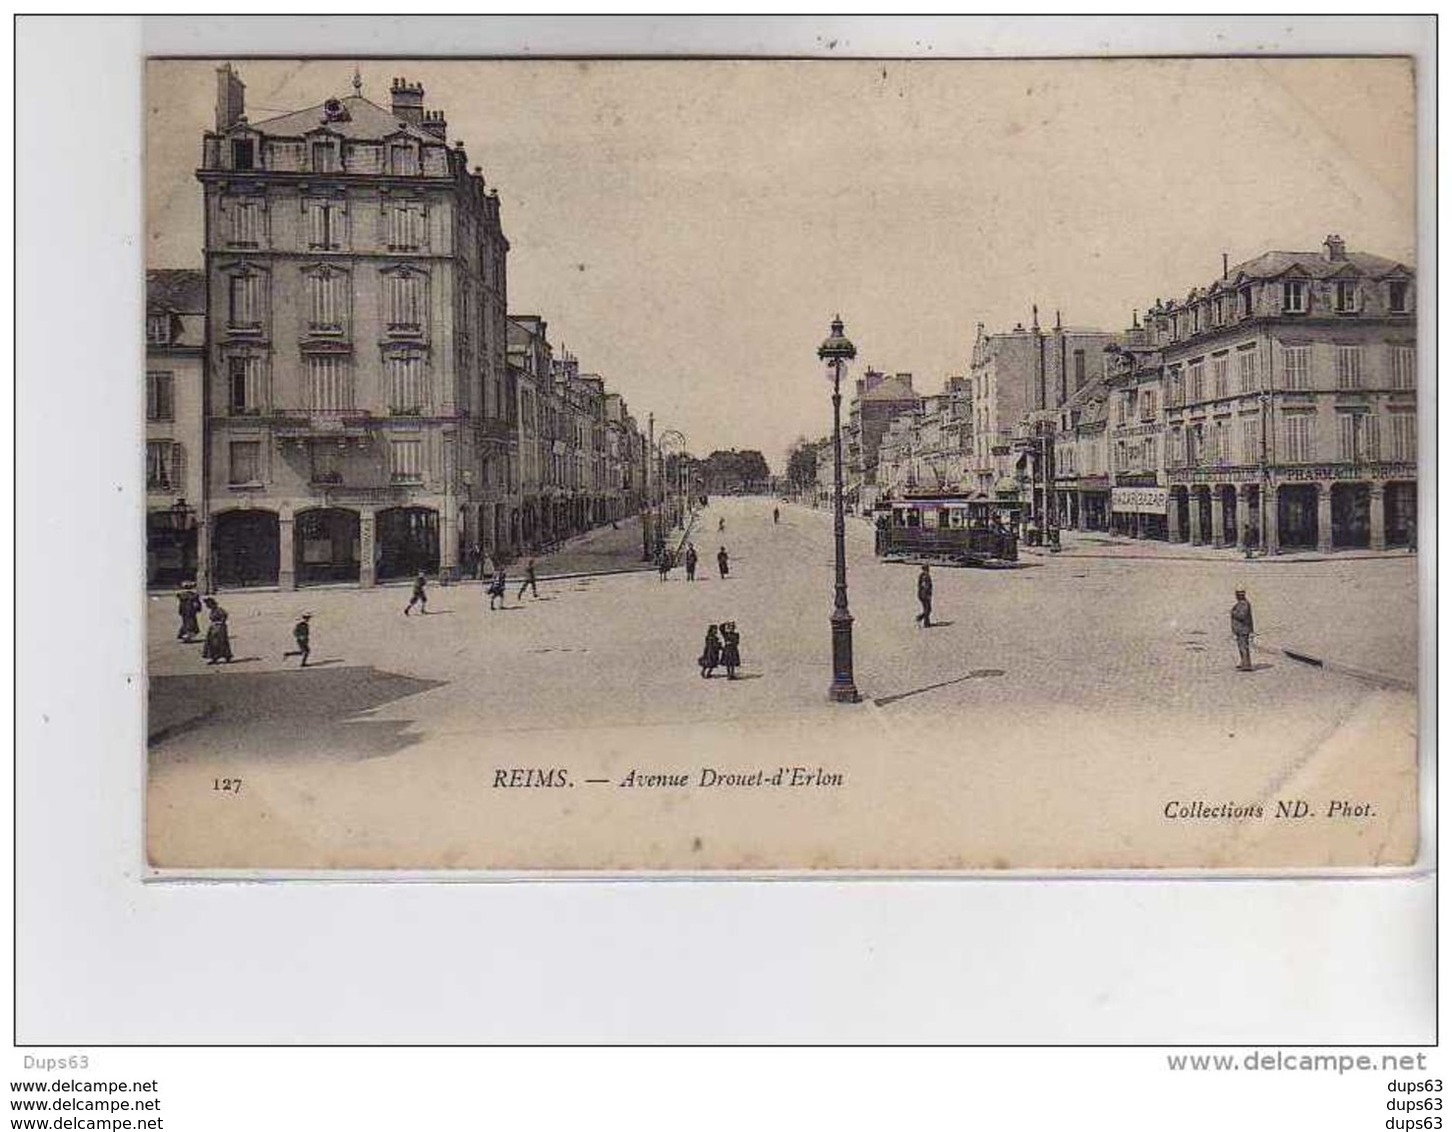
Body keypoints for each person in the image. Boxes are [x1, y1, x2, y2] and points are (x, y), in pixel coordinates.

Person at [201, 597, 232, 665]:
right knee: (212, 643)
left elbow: (224, 617)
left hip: (219, 627)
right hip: (213, 627)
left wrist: (220, 623)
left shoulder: (219, 610)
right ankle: (214, 657)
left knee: (220, 642)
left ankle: (226, 656)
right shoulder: (213, 610)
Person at [1230, 588, 1255, 672]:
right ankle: (1243, 662)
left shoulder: (1244, 604)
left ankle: (1247, 664)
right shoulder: (1241, 603)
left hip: (1243, 629)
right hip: (1241, 629)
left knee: (1243, 647)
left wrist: (1233, 612)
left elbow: (1242, 616)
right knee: (1241, 647)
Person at [915, 564, 934, 628]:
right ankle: (922, 620)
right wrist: (928, 594)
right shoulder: (926, 576)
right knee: (928, 609)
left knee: (927, 608)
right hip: (924, 595)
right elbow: (926, 586)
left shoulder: (921, 575)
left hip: (921, 594)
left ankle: (926, 622)